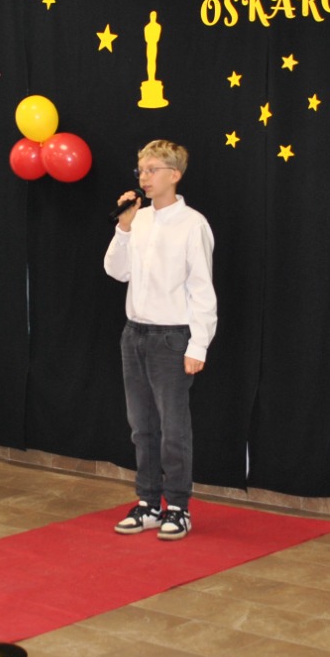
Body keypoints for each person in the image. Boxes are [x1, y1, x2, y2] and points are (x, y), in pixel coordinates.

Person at [104, 140, 216, 541]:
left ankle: (179, 506)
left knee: (173, 428)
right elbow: (115, 271)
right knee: (142, 426)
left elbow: (202, 288)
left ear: (175, 175)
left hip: (171, 337)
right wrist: (124, 226)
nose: (145, 178)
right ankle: (149, 502)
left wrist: (198, 345)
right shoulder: (139, 219)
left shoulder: (192, 224)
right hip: (134, 334)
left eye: (153, 170)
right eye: (141, 170)